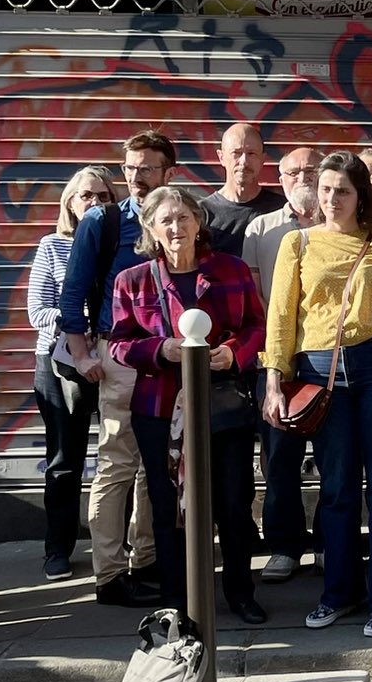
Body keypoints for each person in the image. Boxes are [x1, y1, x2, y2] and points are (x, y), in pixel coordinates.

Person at [265, 152, 372, 637]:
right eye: (326, 189)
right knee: (336, 490)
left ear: (362, 197)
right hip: (319, 372)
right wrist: (274, 379)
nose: (332, 199)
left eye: (343, 191)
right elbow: (281, 318)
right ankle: (337, 593)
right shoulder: (296, 244)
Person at [105, 185, 267, 622]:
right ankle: (178, 602)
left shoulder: (231, 270)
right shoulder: (132, 280)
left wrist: (234, 352)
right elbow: (120, 345)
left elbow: (257, 325)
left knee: (234, 502)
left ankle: (240, 592)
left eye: (183, 217)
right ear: (152, 230)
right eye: (166, 221)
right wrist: (160, 350)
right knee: (169, 506)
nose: (176, 227)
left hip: (223, 408)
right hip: (159, 409)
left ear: (199, 221)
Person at [61, 129, 173, 608]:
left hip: (169, 357)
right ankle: (108, 574)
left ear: (170, 172)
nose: (136, 177)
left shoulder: (178, 216)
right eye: (129, 167)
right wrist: (83, 355)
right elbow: (72, 291)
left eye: (147, 168)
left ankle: (145, 560)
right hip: (121, 356)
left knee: (159, 466)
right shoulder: (104, 221)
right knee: (116, 463)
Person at [27, 165, 116, 580]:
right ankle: (58, 548)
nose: (95, 203)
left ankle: (121, 543)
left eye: (103, 196)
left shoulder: (121, 244)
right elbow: (38, 310)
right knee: (65, 458)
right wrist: (79, 323)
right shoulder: (52, 246)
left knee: (120, 454)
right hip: (61, 364)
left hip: (116, 360)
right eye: (86, 196)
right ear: (70, 203)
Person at [244, 146, 322, 584]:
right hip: (277, 360)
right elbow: (256, 300)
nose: (303, 177)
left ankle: (330, 543)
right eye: (294, 171)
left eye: (312, 169)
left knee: (336, 458)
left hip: (330, 358)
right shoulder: (261, 228)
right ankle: (284, 546)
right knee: (279, 457)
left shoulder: (342, 225)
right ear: (281, 177)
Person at [198, 122, 285, 260]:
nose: (244, 161)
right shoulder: (202, 213)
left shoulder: (281, 210)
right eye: (236, 153)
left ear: (262, 159)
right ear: (221, 157)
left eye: (251, 153)